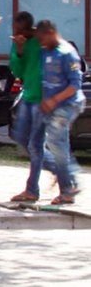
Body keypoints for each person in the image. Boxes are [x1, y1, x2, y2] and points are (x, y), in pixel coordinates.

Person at [36, 19, 84, 204]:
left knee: (56, 142)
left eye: (43, 39)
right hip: (52, 106)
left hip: (68, 104)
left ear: (51, 32)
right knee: (54, 143)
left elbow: (75, 85)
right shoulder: (46, 51)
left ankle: (69, 184)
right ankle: (68, 184)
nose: (42, 44)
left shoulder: (67, 53)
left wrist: (54, 100)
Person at [8, 12, 49, 202]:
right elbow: (17, 71)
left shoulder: (41, 42)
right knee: (20, 136)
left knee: (36, 145)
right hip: (29, 96)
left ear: (28, 28)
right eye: (15, 31)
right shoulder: (19, 43)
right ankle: (61, 171)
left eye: (21, 31)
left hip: (43, 99)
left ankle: (32, 189)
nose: (17, 34)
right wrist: (19, 50)